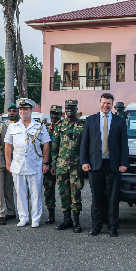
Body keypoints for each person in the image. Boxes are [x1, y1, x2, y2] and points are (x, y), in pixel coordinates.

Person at [80, 93, 128, 237]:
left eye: (109, 103)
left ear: (112, 105)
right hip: (95, 165)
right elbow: (84, 144)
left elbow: (123, 145)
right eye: (104, 102)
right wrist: (84, 161)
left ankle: (113, 227)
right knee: (97, 197)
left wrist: (123, 163)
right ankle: (96, 226)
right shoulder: (91, 120)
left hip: (113, 166)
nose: (106, 105)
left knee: (113, 198)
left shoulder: (119, 121)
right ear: (99, 103)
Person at [4, 98, 51, 228]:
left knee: (36, 193)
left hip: (35, 164)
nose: (23, 111)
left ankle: (35, 218)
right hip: (18, 164)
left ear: (31, 110)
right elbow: (8, 145)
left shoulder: (39, 126)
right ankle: (23, 217)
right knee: (20, 193)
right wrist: (8, 163)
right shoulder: (12, 126)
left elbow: (46, 144)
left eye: (25, 109)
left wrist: (45, 163)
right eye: (21, 109)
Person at [50, 99, 84, 232]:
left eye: (72, 108)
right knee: (63, 193)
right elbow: (54, 146)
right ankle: (66, 220)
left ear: (76, 109)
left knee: (76, 193)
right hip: (61, 166)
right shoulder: (60, 125)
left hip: (76, 166)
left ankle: (76, 222)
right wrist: (53, 163)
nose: (70, 110)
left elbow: (85, 146)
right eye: (67, 108)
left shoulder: (82, 125)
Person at [43, 104, 63, 225]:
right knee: (48, 191)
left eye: (57, 114)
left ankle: (67, 216)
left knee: (64, 191)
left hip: (61, 165)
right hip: (48, 165)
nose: (54, 116)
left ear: (61, 115)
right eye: (52, 114)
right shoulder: (45, 128)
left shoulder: (64, 127)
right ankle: (51, 216)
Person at [2, 104, 19, 220]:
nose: (11, 113)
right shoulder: (4, 125)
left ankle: (25, 212)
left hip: (20, 159)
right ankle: (11, 211)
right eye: (9, 111)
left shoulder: (23, 124)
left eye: (14, 111)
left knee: (23, 188)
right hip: (8, 159)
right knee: (7, 187)